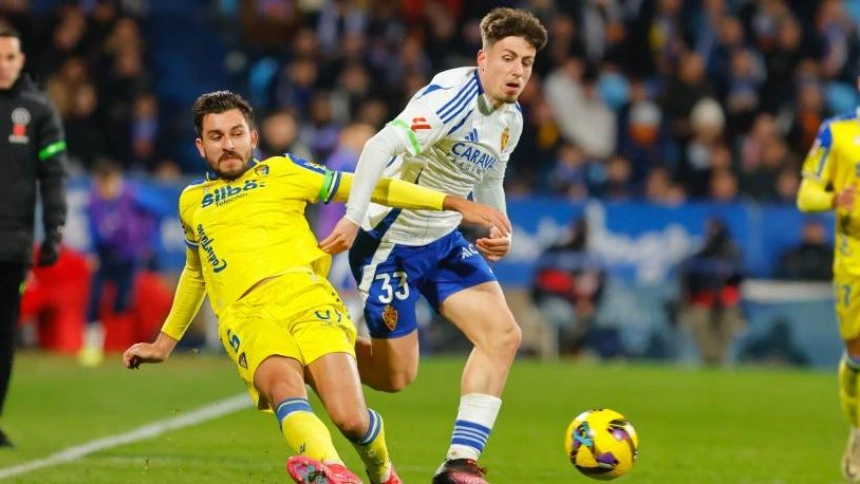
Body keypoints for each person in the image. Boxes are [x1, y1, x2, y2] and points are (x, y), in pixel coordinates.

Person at [122, 91, 510, 484]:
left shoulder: (285, 173)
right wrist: (164, 344)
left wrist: (453, 203)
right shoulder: (192, 202)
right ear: (201, 147)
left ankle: (382, 473)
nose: (228, 145)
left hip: (308, 299)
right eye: (217, 137)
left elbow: (375, 187)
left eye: (236, 133)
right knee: (282, 388)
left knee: (352, 419)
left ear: (253, 138)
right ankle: (336, 473)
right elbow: (196, 272)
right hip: (246, 316)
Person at [320, 8, 547, 483]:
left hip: (441, 240)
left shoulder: (511, 119)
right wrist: (353, 218)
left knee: (503, 336)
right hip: (391, 244)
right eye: (508, 58)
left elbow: (491, 175)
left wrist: (497, 230)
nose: (517, 71)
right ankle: (316, 353)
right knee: (395, 378)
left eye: (526, 62)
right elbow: (378, 147)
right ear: (482, 58)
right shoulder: (450, 99)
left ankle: (459, 463)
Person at [0, 26, 67, 448]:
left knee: (3, 337)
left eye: (9, 58)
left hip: (12, 245)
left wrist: (54, 230)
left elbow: (54, 177)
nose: (2, 66)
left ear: (21, 61)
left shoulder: (38, 110)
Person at [797, 81, 860, 481]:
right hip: (854, 259)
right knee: (857, 357)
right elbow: (806, 195)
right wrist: (834, 199)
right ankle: (858, 430)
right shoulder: (836, 133)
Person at [79, 158, 158, 367]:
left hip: (127, 258)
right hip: (104, 258)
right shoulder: (93, 201)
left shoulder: (133, 196)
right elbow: (93, 230)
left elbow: (161, 208)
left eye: (107, 182)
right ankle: (91, 349)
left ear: (116, 180)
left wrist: (146, 241)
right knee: (94, 300)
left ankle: (126, 347)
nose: (103, 188)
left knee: (122, 304)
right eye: (100, 183)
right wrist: (92, 252)